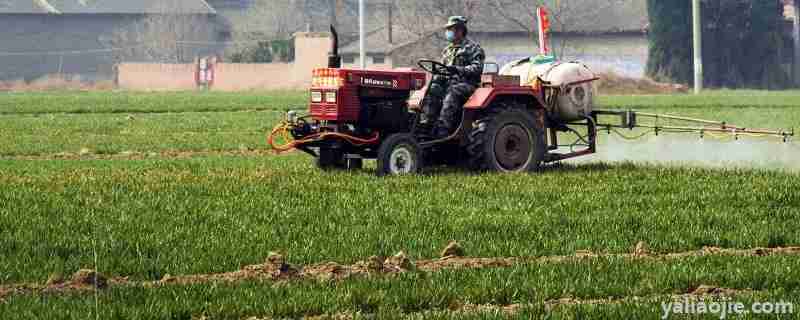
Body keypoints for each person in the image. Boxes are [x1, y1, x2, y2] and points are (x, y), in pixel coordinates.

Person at [422, 16, 486, 138]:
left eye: (451, 29)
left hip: (468, 86)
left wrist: (458, 69)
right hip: (448, 83)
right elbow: (442, 68)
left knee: (453, 91)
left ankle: (443, 129)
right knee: (432, 88)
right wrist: (437, 76)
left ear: (460, 30)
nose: (449, 33)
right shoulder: (447, 50)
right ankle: (427, 124)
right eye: (448, 30)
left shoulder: (473, 48)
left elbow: (477, 68)